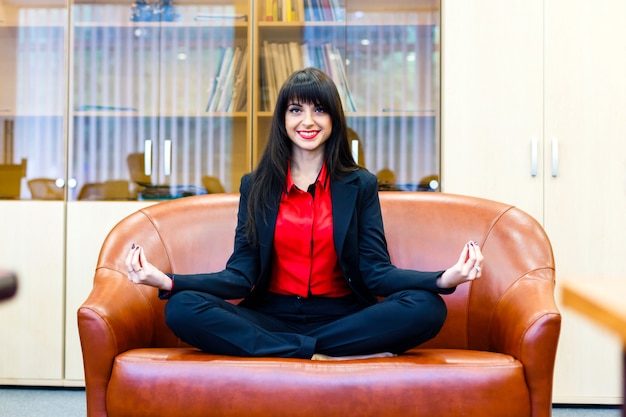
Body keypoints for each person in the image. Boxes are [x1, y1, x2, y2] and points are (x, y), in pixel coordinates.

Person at [125, 67, 484, 360]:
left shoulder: (360, 185)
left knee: (427, 307)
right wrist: (168, 282)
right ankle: (321, 353)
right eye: (296, 110)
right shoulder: (257, 185)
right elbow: (240, 275)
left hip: (343, 317)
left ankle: (293, 351)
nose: (307, 121)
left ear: (333, 118)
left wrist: (442, 279)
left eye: (319, 110)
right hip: (270, 318)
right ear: (282, 119)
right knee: (182, 307)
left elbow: (376, 273)